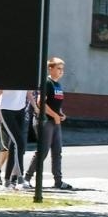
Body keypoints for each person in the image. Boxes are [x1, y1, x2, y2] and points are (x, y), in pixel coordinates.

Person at [32, 57, 73, 190]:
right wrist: (54, 115)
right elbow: (40, 102)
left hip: (55, 122)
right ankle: (26, 178)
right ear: (50, 68)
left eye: (62, 69)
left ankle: (58, 181)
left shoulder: (58, 85)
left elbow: (56, 104)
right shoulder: (47, 83)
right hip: (45, 121)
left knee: (57, 152)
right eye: (58, 69)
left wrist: (60, 114)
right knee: (42, 151)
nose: (61, 72)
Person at [0, 86, 30, 189]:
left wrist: (35, 107)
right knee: (16, 144)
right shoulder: (8, 73)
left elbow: (28, 92)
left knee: (15, 144)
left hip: (20, 109)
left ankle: (9, 180)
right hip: (5, 110)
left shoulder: (26, 75)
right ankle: (18, 178)